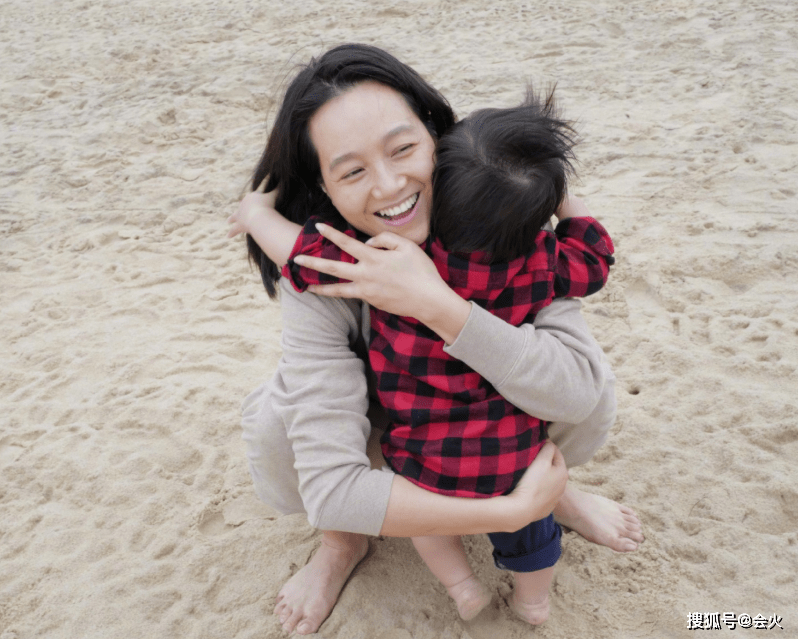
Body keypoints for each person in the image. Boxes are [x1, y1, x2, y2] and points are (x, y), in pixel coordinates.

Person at [227, 43, 643, 636]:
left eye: (403, 149)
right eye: (352, 171)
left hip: (488, 429)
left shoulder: (501, 216)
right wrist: (510, 511)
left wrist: (440, 307)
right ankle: (345, 545)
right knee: (277, 423)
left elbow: (577, 399)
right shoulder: (339, 265)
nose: (390, 184)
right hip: (399, 429)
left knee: (583, 379)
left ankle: (558, 491)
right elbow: (330, 487)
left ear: (436, 134)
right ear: (322, 187)